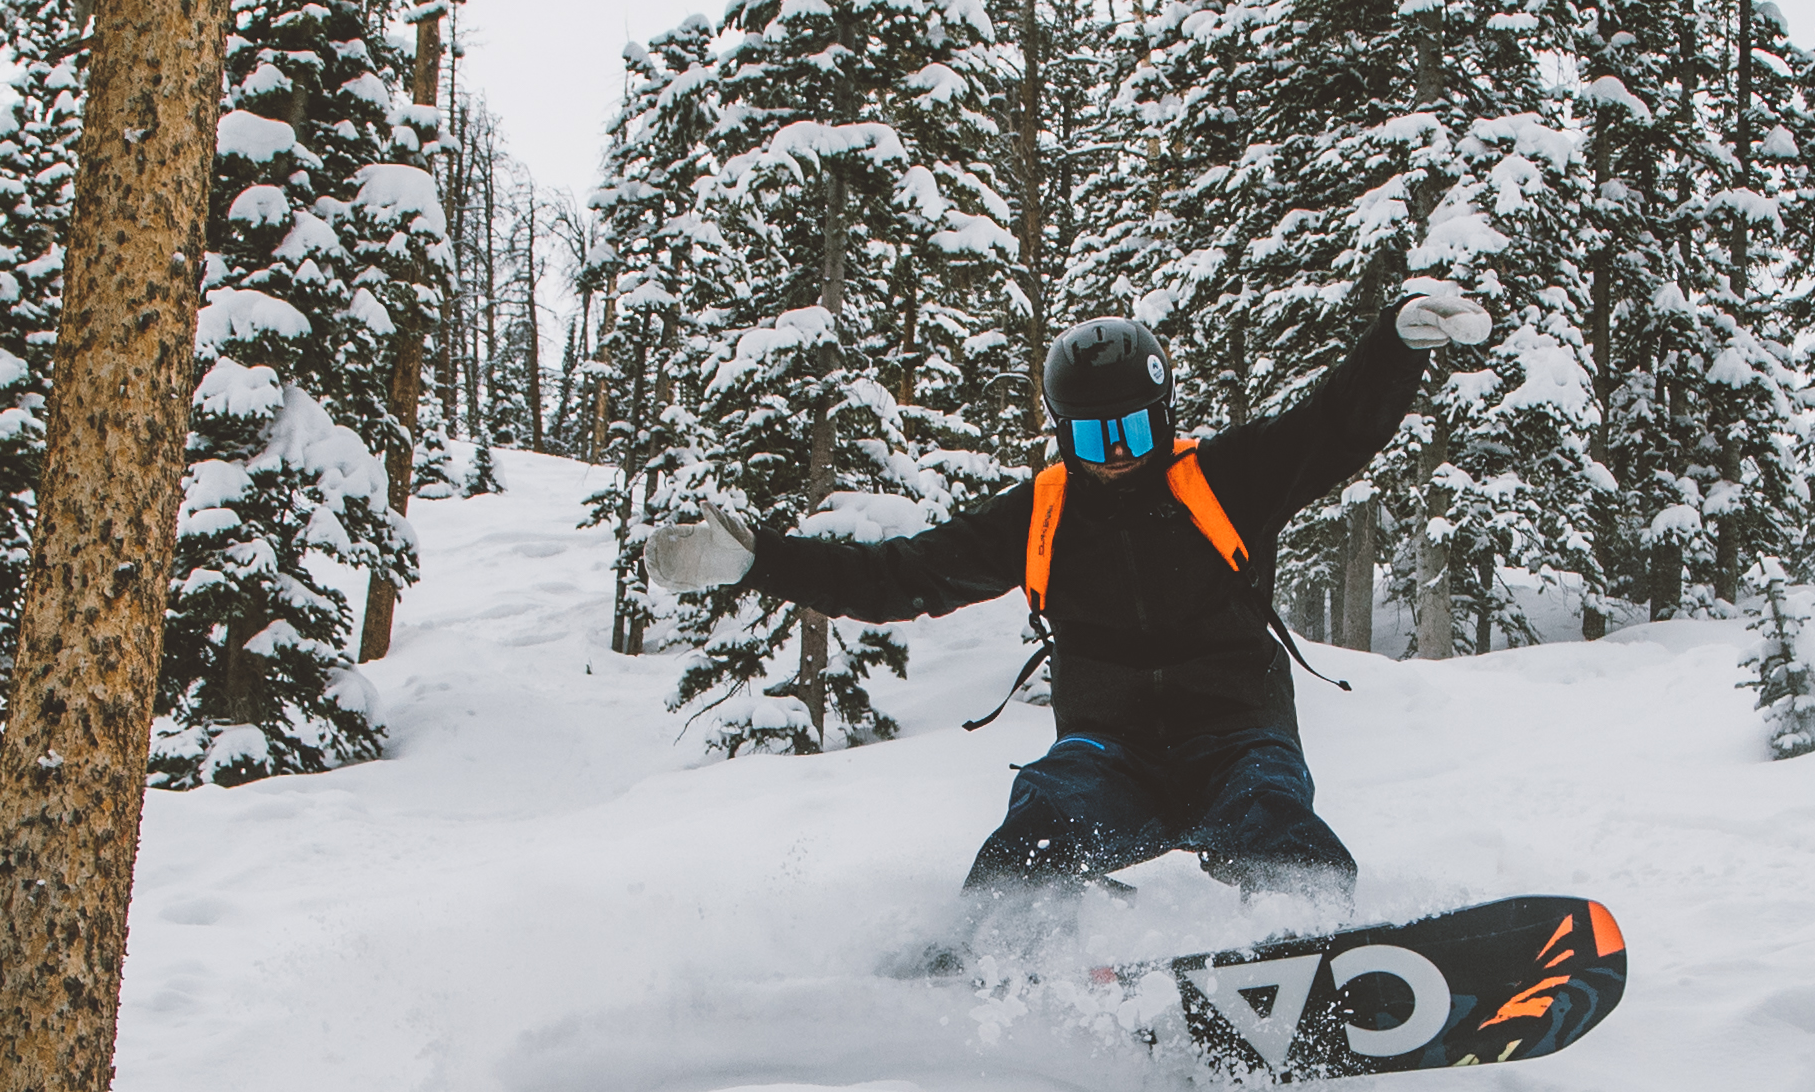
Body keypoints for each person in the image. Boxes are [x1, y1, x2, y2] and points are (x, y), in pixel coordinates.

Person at [635, 286, 1493, 900]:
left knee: (1274, 820)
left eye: (1131, 429)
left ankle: (1309, 947)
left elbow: (1334, 424)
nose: (1114, 451)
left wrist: (1393, 347)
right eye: (1091, 434)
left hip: (1237, 738)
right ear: (1061, 430)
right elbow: (902, 577)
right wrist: (760, 562)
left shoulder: (1226, 479)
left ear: (1162, 416)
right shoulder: (1042, 514)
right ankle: (1005, 960)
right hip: (1110, 753)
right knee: (1039, 822)